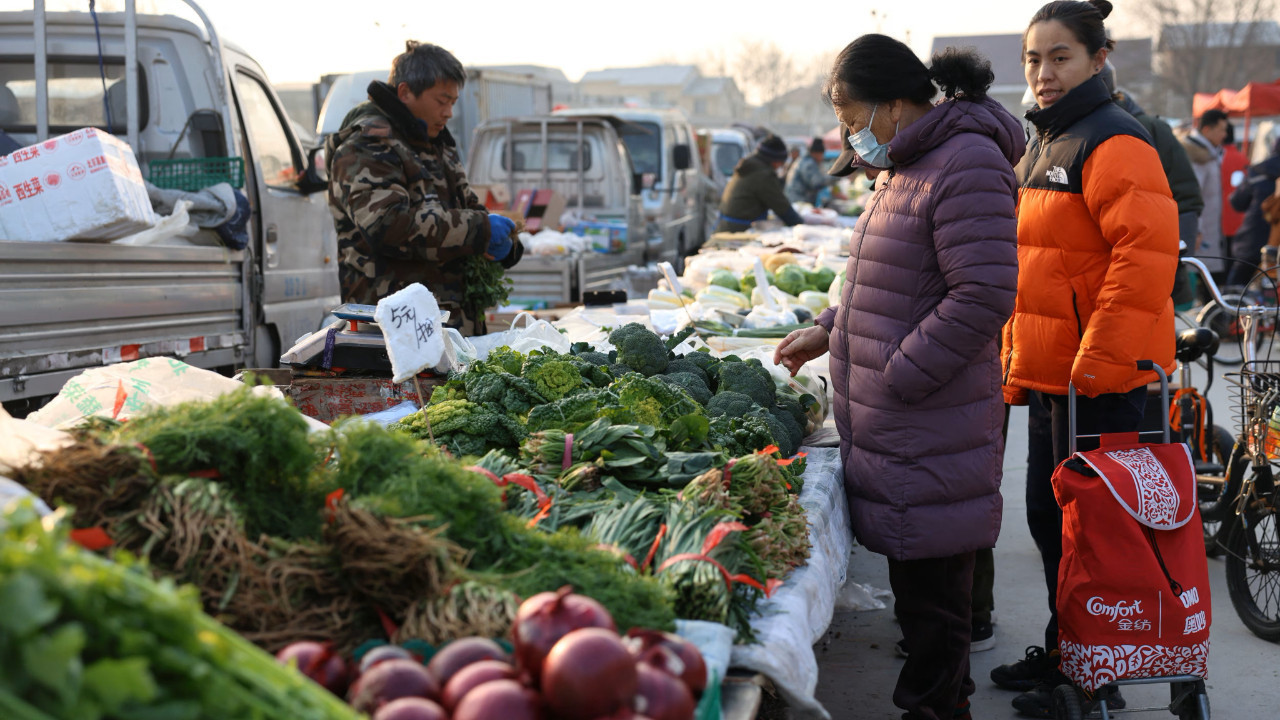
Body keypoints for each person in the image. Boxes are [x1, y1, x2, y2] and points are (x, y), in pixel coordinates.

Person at [775, 35, 1021, 720]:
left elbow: (983, 296)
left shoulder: (964, 161)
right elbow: (883, 279)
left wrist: (898, 371)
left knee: (937, 618)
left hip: (928, 424)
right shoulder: (904, 166)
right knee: (925, 615)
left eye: (849, 111)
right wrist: (831, 327)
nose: (847, 129)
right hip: (906, 425)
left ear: (892, 102)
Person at [995, 2, 1178, 717]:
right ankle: (1067, 649)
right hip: (1054, 377)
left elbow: (1145, 261)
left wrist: (1098, 361)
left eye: (1061, 57)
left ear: (1099, 59)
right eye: (1034, 59)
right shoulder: (1048, 141)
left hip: (1096, 381)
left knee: (1093, 533)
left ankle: (1092, 678)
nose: (1044, 73)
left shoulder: (1115, 141)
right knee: (1051, 519)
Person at [326, 41, 523, 334]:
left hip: (450, 328)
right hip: (395, 334)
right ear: (405, 92)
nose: (448, 113)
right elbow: (388, 225)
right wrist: (479, 230)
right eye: (441, 101)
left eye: (453, 103)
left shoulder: (436, 144)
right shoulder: (367, 146)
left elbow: (467, 207)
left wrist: (505, 245)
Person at [1098, 62, 1202, 307]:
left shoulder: (1151, 129)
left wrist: (1179, 258)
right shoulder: (1064, 134)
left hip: (1150, 264)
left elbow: (1185, 195)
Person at [715, 135, 805, 232]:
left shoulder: (752, 166)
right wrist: (801, 225)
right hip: (737, 230)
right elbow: (781, 206)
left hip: (728, 226)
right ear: (774, 160)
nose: (781, 166)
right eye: (781, 162)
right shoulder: (762, 174)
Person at [1180, 109, 1230, 274]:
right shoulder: (1197, 156)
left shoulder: (1208, 153)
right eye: (1221, 129)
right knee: (1197, 275)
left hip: (1205, 231)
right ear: (1207, 129)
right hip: (1200, 234)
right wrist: (1196, 230)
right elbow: (1193, 195)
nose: (1225, 134)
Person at [1228, 137, 1280, 285]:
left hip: (1253, 237)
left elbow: (1237, 202)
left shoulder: (1258, 171)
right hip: (1275, 243)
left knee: (1235, 291)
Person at [785, 137, 842, 204]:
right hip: (798, 201)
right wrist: (836, 176)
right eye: (821, 154)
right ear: (815, 153)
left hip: (796, 199)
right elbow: (816, 183)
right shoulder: (809, 164)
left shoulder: (804, 161)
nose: (822, 157)